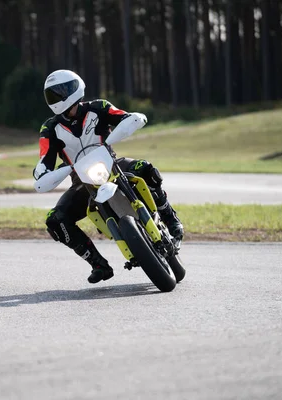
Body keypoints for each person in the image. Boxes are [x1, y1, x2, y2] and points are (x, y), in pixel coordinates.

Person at [33, 69, 183, 284]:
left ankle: (171, 220)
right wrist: (42, 173)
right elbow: (44, 158)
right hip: (82, 181)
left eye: (62, 91)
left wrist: (132, 119)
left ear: (76, 88)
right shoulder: (49, 128)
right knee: (55, 220)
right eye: (53, 94)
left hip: (113, 164)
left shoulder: (98, 107)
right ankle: (97, 264)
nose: (58, 98)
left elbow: (122, 117)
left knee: (147, 169)